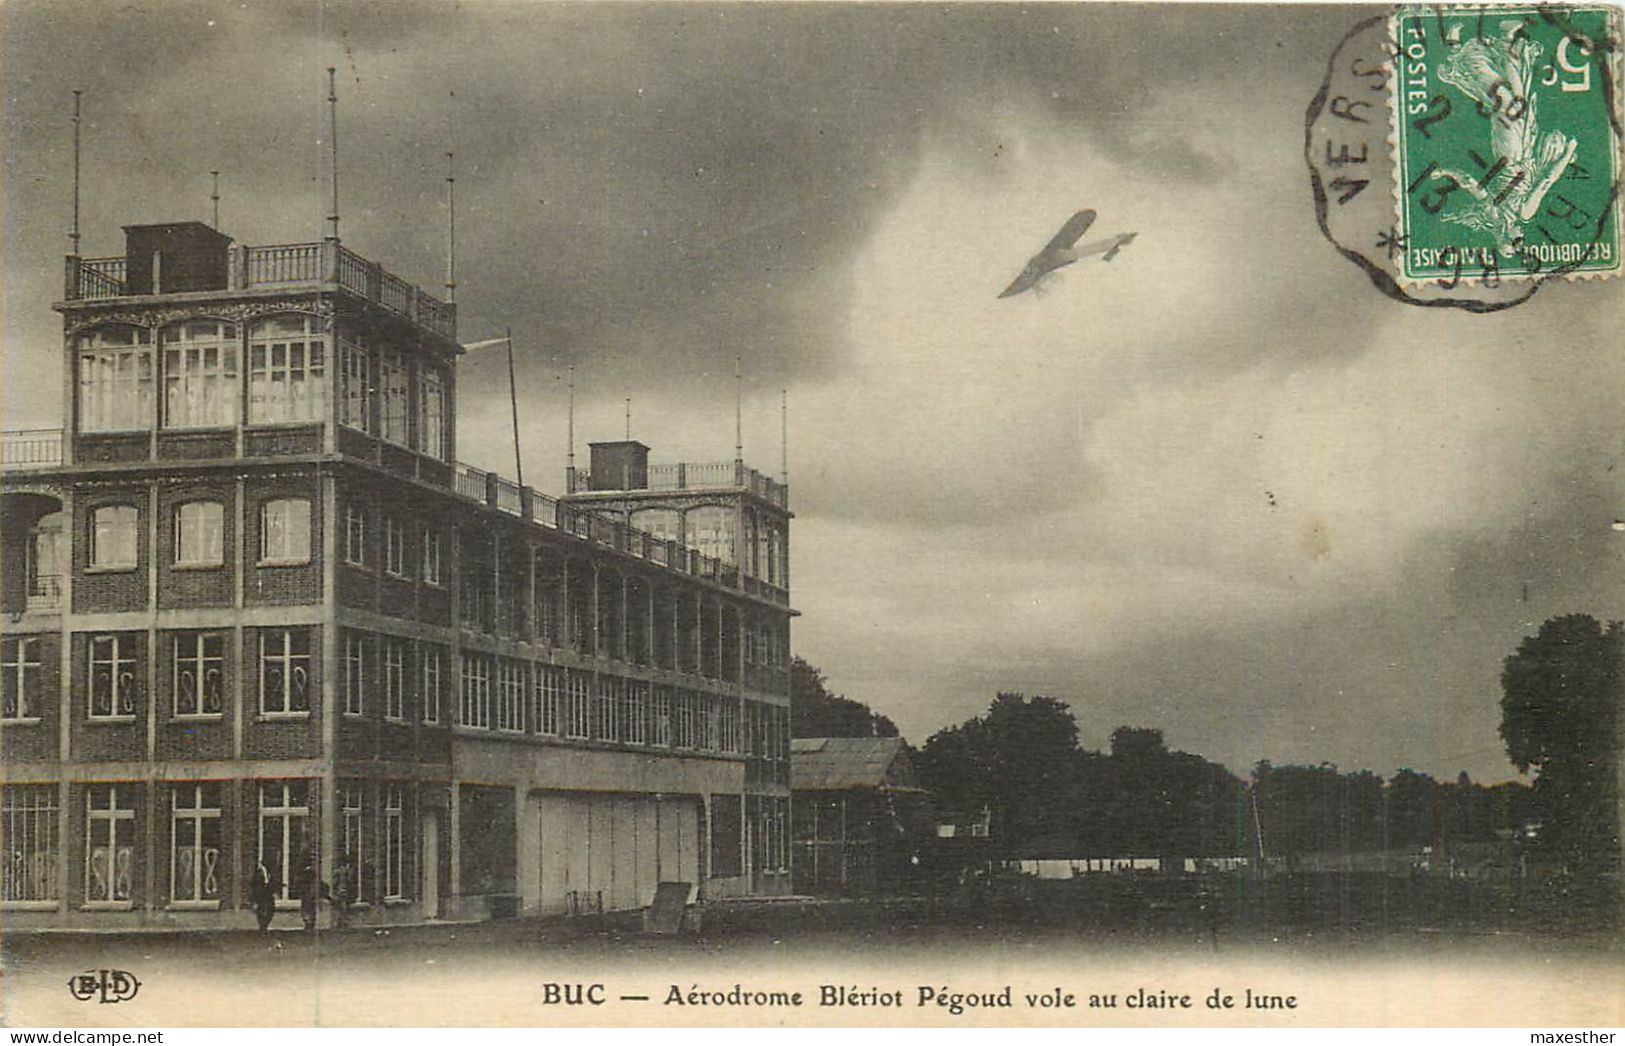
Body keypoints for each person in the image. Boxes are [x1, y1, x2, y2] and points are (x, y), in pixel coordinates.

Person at [249, 861, 276, 934]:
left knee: (270, 911)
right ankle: (263, 927)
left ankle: (265, 926)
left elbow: (272, 882)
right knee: (262, 911)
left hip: (269, 895)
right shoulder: (259, 873)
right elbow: (255, 885)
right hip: (261, 895)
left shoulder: (270, 873)